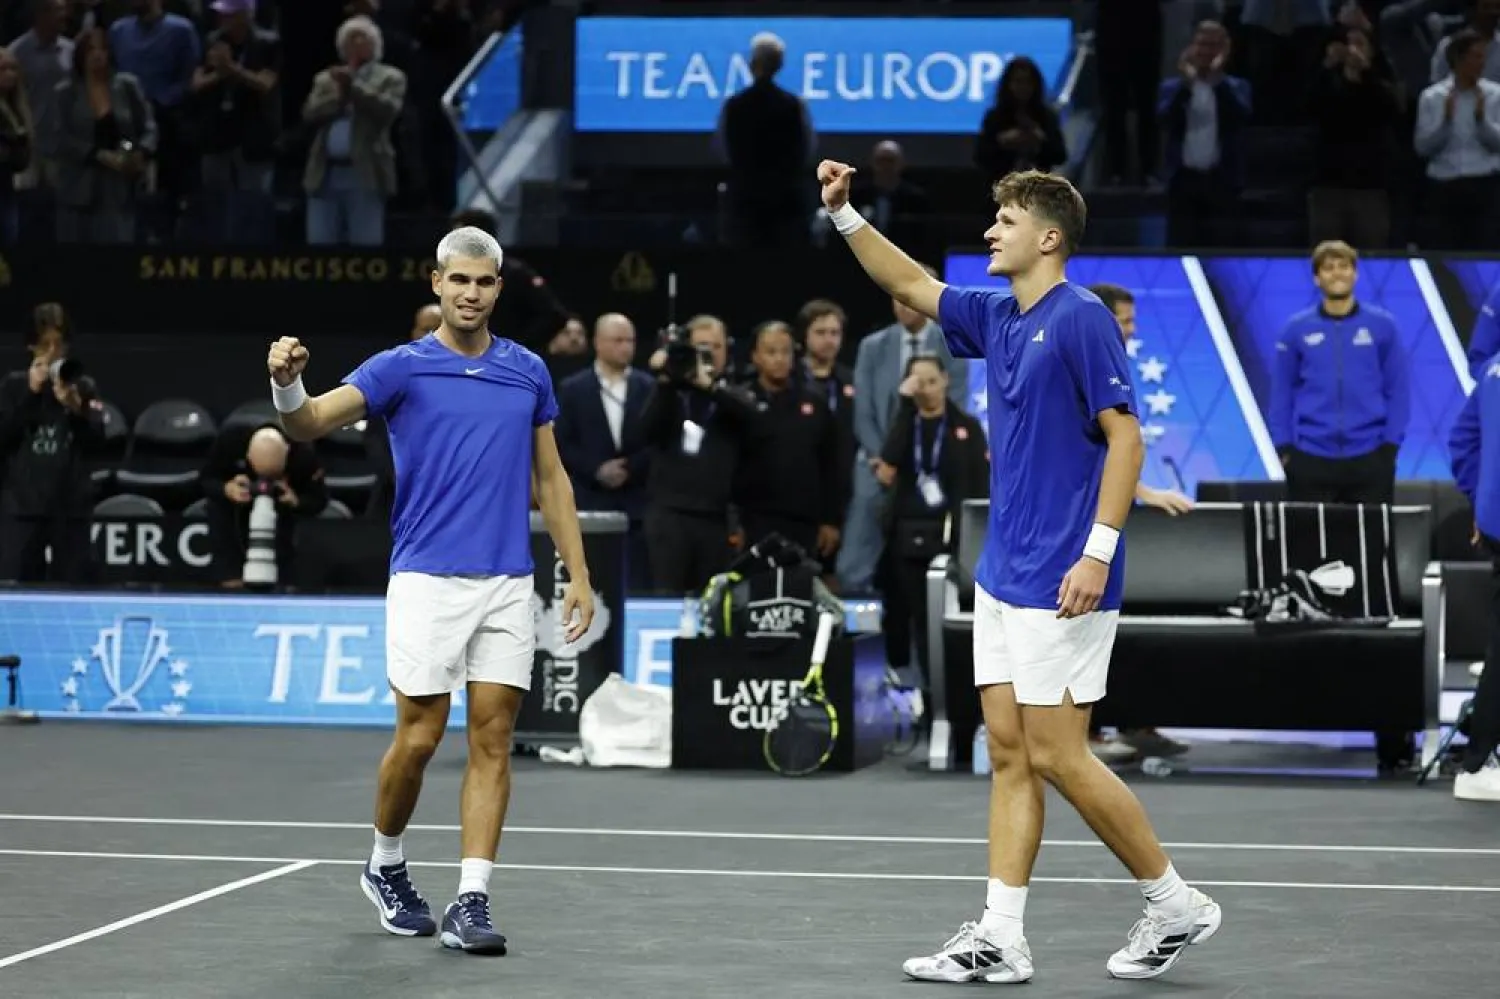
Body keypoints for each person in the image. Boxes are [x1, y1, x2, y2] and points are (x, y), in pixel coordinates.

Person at [818, 160, 1221, 983]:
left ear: (1047, 236)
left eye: (1004, 220)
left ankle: (1175, 901)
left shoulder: (1081, 318)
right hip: (1004, 573)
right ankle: (1001, 934)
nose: (989, 231)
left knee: (1058, 754)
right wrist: (845, 214)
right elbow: (911, 280)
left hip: (1065, 575)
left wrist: (1096, 552)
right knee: (1008, 750)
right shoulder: (998, 313)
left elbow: (1127, 438)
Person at [265, 225, 594, 955]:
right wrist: (286, 380)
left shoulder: (528, 371)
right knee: (418, 738)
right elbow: (308, 421)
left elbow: (551, 479)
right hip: (425, 578)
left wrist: (577, 572)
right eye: (459, 281)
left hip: (509, 579)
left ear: (498, 288)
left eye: (484, 282)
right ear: (437, 284)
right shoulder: (400, 368)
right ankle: (385, 863)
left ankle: (471, 899)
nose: (471, 293)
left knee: (493, 738)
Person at [1446, 351, 1500, 801]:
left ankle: (1480, 757)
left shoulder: (1494, 365)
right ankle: (1480, 760)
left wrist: (1482, 499)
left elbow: (1463, 441)